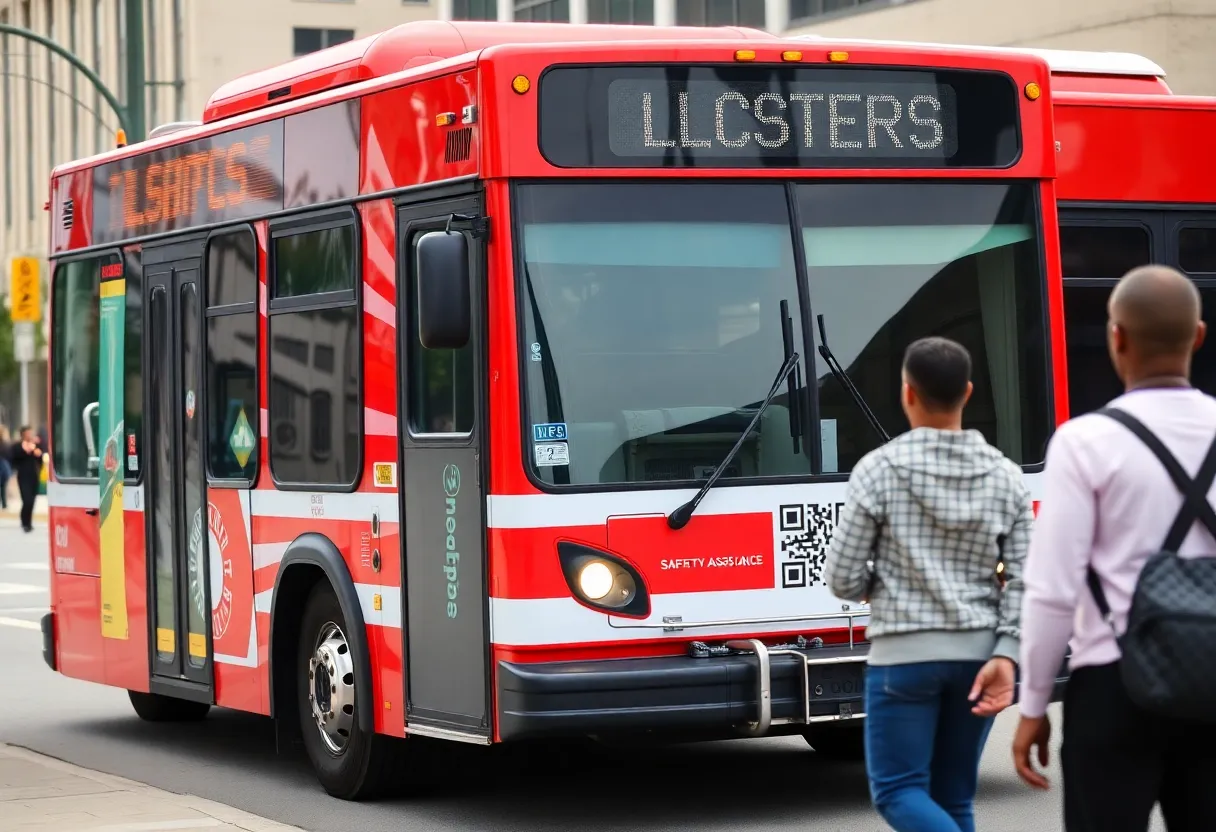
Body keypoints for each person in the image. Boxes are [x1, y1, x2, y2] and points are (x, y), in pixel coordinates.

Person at [1013, 264, 1216, 830]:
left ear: (1115, 337)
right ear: (1198, 336)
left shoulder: (1085, 442)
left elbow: (1053, 590)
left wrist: (1033, 706)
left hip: (1114, 685)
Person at [825, 336, 1032, 832]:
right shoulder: (1006, 476)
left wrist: (885, 584)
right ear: (967, 392)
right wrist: (1006, 651)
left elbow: (842, 577)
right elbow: (1031, 579)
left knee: (899, 793)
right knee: (954, 799)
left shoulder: (878, 470)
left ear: (907, 394)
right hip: (979, 657)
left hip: (903, 657)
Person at [9, 425, 43, 533]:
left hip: (34, 475)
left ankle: (29, 522)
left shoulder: (35, 445)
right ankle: (24, 522)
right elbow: (13, 459)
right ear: (23, 434)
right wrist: (25, 451)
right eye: (28, 433)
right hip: (23, 475)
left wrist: (37, 453)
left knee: (32, 500)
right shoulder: (17, 446)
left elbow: (40, 459)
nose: (30, 435)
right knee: (26, 500)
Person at [0, 424, 11, 511]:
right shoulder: (5, 443)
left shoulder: (5, 443)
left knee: (3, 485)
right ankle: (4, 504)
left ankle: (4, 503)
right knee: (3, 486)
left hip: (3, 465)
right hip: (4, 465)